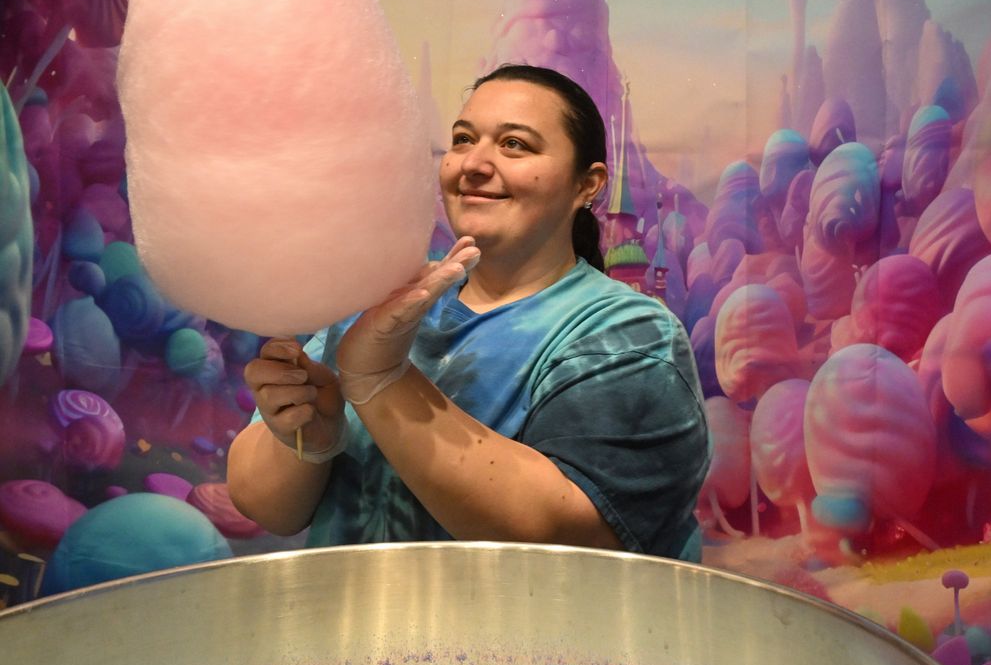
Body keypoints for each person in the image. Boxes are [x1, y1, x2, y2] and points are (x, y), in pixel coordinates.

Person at [227, 64, 710, 560]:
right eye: (462, 140)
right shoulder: (381, 300)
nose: (473, 164)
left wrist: (380, 378)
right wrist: (309, 436)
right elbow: (268, 507)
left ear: (588, 185)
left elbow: (572, 535)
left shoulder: (626, 335)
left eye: (514, 144)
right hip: (348, 629)